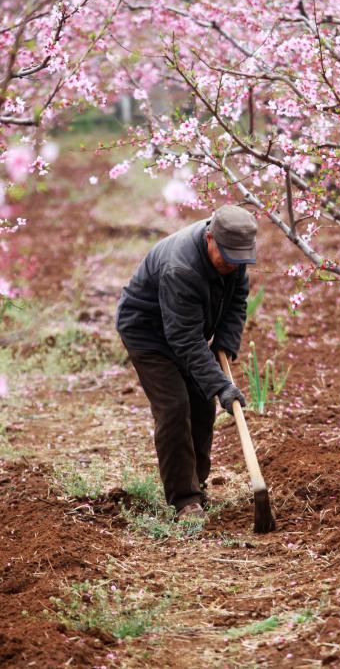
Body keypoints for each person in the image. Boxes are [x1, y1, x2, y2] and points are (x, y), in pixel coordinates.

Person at [116, 205, 257, 521]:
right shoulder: (181, 267)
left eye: (239, 259)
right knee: (175, 407)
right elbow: (184, 339)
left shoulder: (234, 254)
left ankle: (197, 483)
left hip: (184, 330)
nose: (233, 265)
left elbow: (236, 300)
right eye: (227, 256)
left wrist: (226, 341)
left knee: (202, 403)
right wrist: (222, 384)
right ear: (210, 238)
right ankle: (184, 500)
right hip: (148, 333)